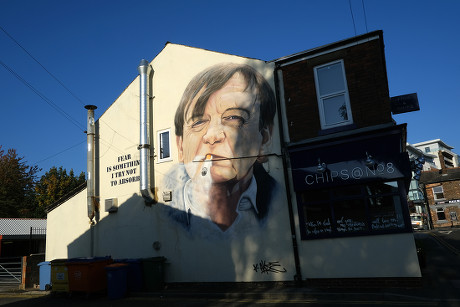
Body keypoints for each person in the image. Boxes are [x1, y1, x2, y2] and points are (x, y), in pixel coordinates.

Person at [163, 63, 277, 236]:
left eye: (233, 117)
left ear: (265, 137)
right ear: (180, 146)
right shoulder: (163, 214)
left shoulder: (278, 199)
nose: (212, 135)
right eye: (198, 122)